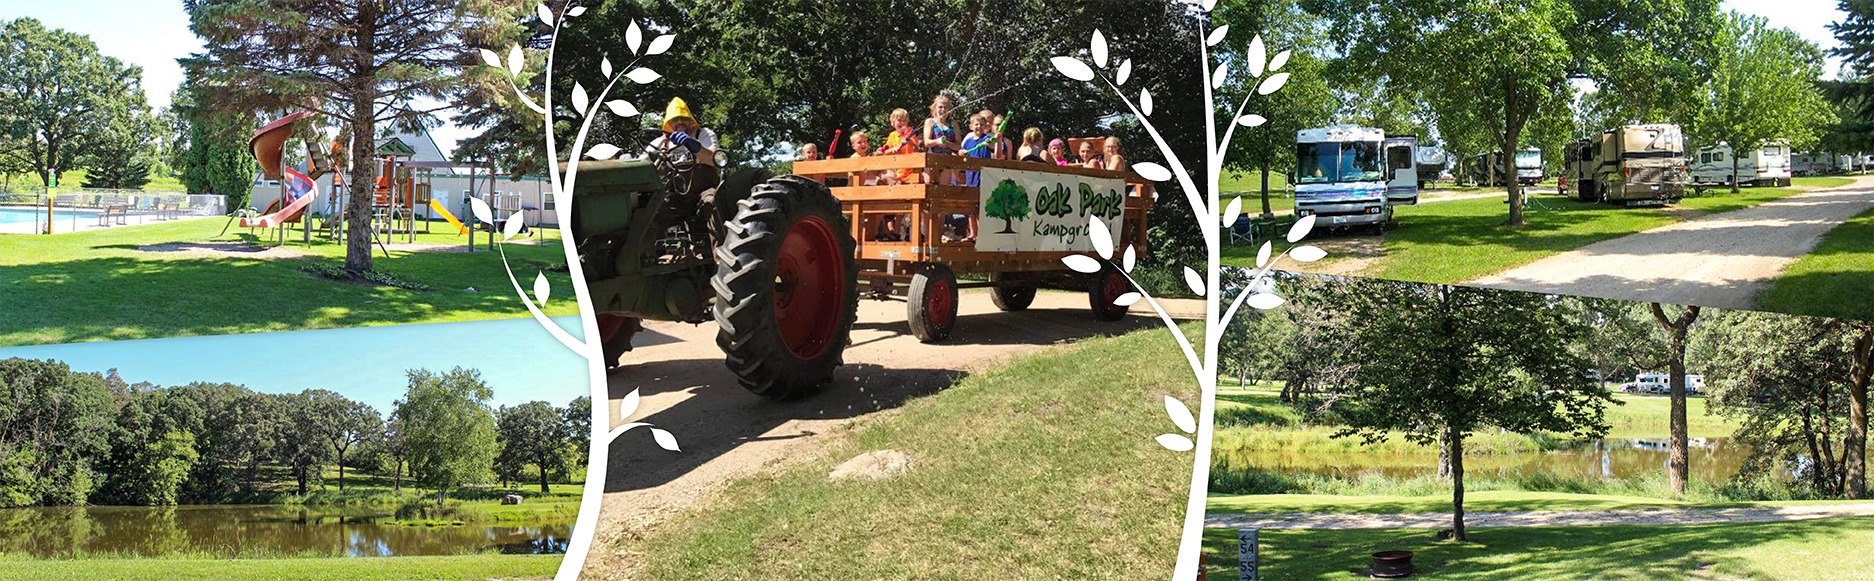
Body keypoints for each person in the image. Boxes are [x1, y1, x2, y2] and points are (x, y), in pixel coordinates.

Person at [645, 97, 719, 164]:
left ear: (690, 120)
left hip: (704, 178)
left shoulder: (704, 134)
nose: (680, 122)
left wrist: (698, 148)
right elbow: (641, 165)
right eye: (675, 119)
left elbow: (716, 160)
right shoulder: (661, 142)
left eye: (684, 118)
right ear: (669, 123)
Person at [883, 108, 922, 184]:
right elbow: (886, 152)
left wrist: (909, 141)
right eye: (899, 120)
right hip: (897, 171)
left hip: (911, 170)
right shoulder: (892, 135)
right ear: (893, 123)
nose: (902, 123)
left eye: (904, 121)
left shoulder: (910, 132)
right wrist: (893, 149)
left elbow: (916, 148)